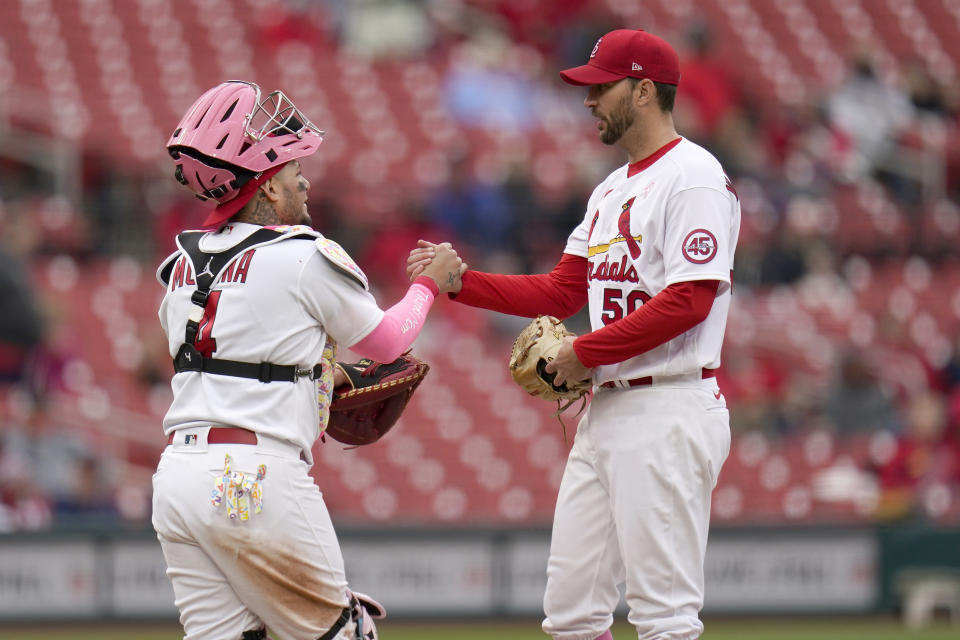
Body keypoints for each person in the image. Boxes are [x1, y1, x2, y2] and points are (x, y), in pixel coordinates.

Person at [409, 29, 740, 640]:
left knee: (664, 617)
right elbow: (564, 292)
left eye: (601, 88)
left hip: (668, 403)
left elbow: (690, 300)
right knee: (571, 615)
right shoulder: (611, 187)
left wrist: (584, 351)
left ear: (644, 91)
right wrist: (463, 284)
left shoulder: (693, 176)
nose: (588, 101)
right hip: (609, 406)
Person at [153, 81, 463, 640]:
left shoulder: (179, 267)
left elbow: (227, 356)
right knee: (346, 633)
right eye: (295, 168)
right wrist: (427, 286)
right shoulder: (301, 254)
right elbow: (389, 342)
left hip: (177, 479)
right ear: (268, 186)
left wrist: (312, 374)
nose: (305, 179)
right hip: (253, 475)